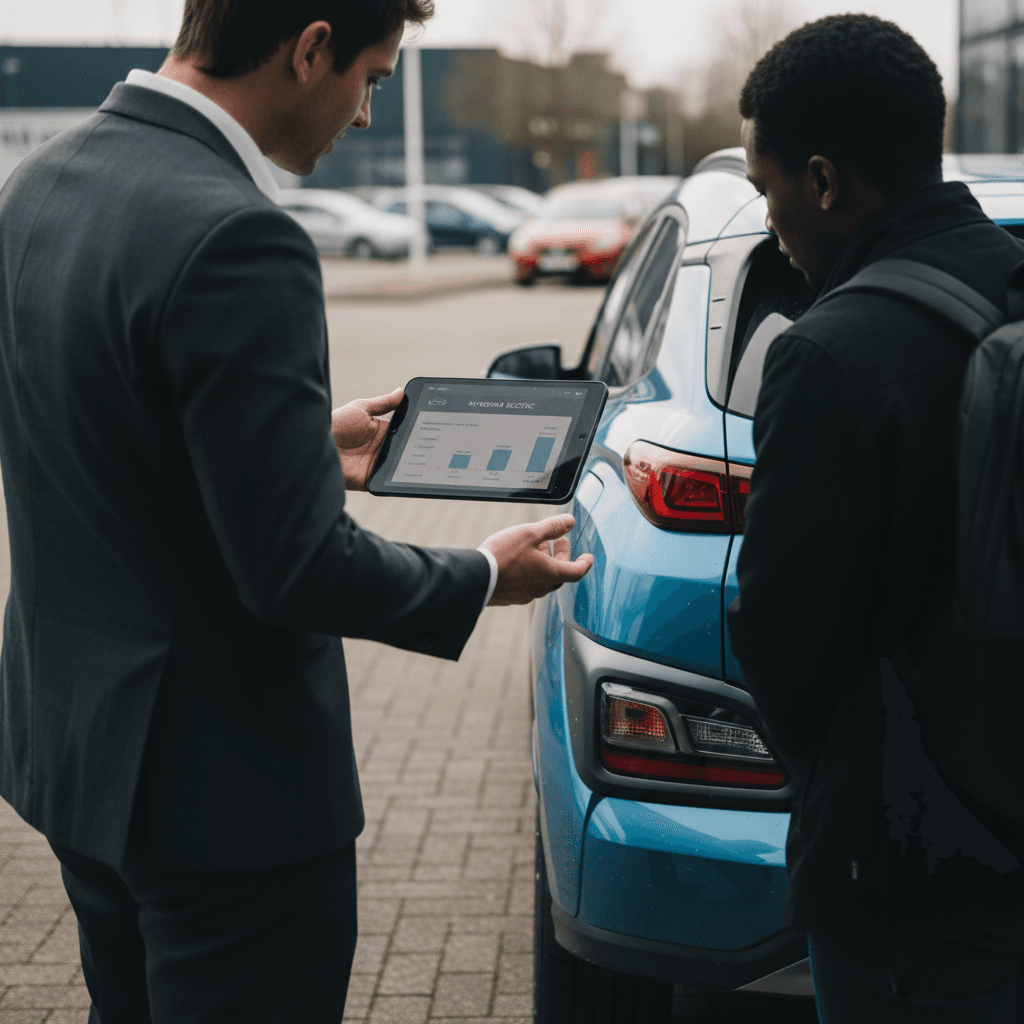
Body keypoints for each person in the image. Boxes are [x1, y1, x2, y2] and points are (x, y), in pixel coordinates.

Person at [0, 1, 592, 1021]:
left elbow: (95, 433)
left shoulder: (38, 182)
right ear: (312, 49)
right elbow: (297, 568)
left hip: (75, 755)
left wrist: (296, 448)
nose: (364, 114)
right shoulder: (239, 234)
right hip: (225, 803)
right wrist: (485, 574)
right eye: (373, 78)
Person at [726, 14, 1024, 1024]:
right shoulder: (1013, 284)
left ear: (822, 181)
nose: (771, 220)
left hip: (910, 872)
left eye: (767, 188)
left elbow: (783, 644)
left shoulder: (829, 353)